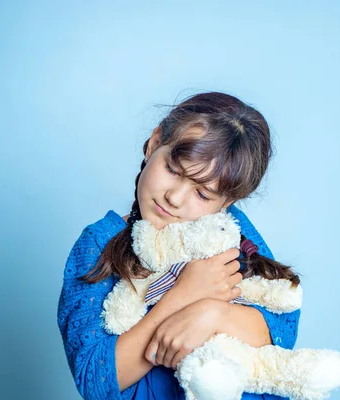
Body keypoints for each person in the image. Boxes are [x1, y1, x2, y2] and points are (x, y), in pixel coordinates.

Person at [57, 92, 301, 400]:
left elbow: (280, 331)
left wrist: (211, 314)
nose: (175, 198)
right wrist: (181, 297)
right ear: (154, 144)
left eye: (202, 194)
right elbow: (95, 378)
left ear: (227, 203)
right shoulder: (98, 242)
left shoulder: (230, 231)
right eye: (173, 170)